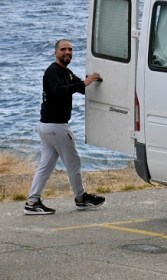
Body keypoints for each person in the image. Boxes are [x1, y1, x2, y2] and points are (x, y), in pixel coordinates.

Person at [24, 39, 106, 215]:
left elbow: (81, 88)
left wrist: (97, 82)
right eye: (63, 49)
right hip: (56, 127)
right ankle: (81, 198)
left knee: (45, 165)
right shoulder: (52, 71)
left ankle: (32, 202)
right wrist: (84, 83)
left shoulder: (66, 72)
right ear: (55, 53)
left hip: (48, 126)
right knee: (74, 162)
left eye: (70, 49)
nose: (67, 52)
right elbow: (60, 91)